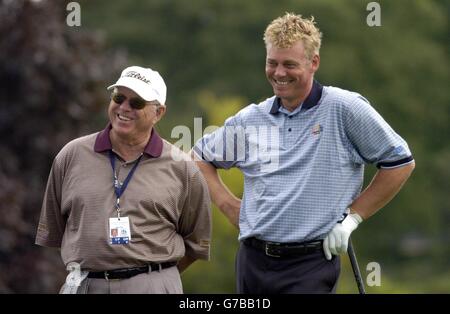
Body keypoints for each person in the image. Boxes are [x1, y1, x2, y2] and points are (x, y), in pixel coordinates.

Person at [192, 13, 415, 293]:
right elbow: (199, 158)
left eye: (289, 64)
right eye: (272, 63)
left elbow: (400, 163)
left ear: (314, 63)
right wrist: (227, 205)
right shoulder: (251, 119)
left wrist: (352, 218)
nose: (279, 73)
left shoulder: (343, 108)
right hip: (252, 261)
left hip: (310, 264)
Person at [36, 66, 211, 294]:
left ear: (158, 113)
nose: (124, 108)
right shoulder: (71, 155)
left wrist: (153, 277)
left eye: (136, 103)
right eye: (119, 97)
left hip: (153, 285)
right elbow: (54, 233)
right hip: (85, 285)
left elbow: (196, 243)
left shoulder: (183, 168)